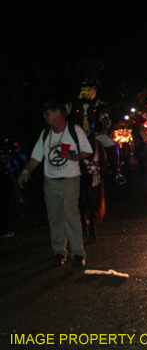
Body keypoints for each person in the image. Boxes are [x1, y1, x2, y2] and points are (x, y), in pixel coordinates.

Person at [18, 100, 93, 267]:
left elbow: (88, 151)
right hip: (51, 182)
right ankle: (59, 251)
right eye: (44, 113)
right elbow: (36, 157)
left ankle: (78, 254)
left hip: (70, 179)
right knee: (55, 218)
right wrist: (25, 172)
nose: (45, 116)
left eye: (48, 112)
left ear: (59, 113)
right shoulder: (46, 134)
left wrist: (75, 157)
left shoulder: (74, 131)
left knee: (71, 216)